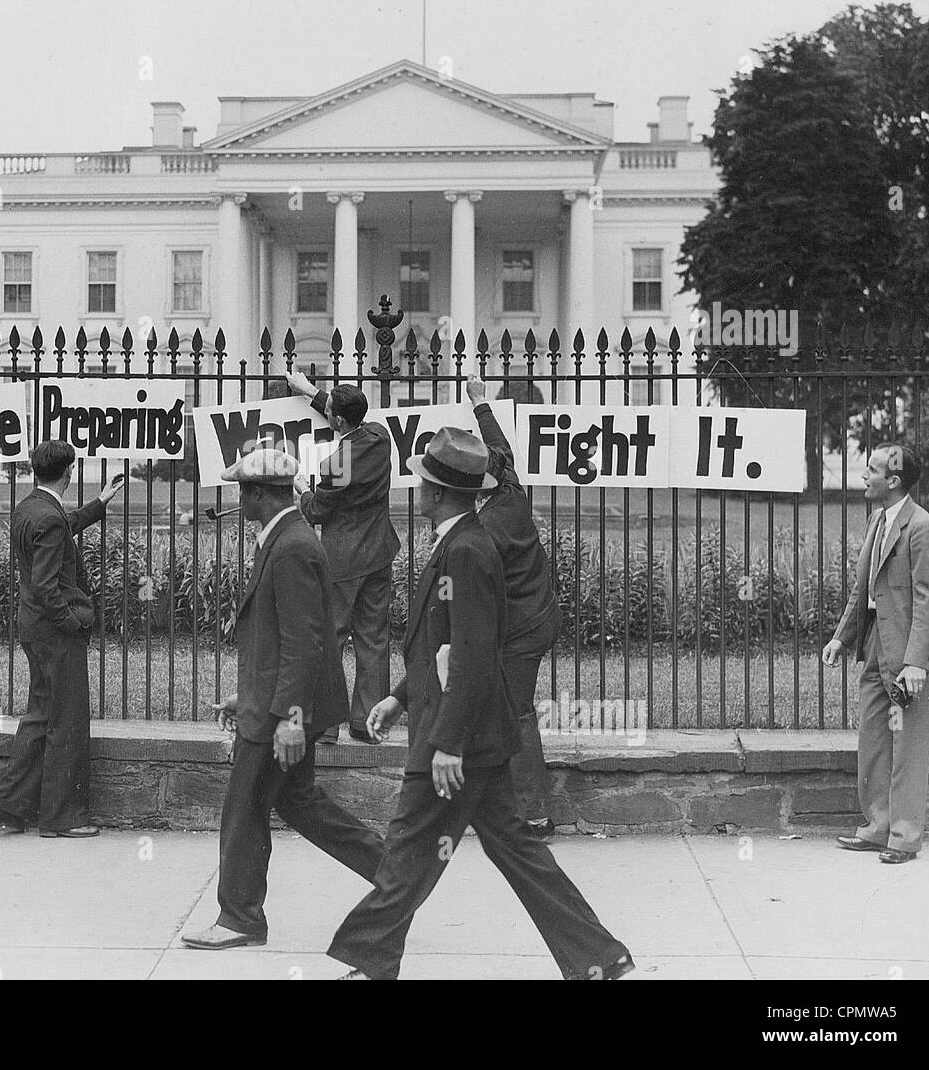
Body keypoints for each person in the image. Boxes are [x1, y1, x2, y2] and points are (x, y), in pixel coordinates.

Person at [327, 428, 633, 980]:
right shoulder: (461, 539)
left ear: (436, 492)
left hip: (457, 737)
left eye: (422, 480)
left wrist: (447, 743)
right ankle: (599, 956)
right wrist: (399, 697)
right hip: (476, 733)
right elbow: (445, 645)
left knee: (408, 846)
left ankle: (369, 958)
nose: (416, 487)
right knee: (513, 849)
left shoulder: (466, 550)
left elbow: (471, 653)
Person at [181, 446, 386, 949]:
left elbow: (305, 641)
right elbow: (285, 639)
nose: (239, 498)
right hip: (277, 703)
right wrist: (246, 695)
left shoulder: (291, 545)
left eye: (242, 491)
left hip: (284, 714)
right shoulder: (283, 539)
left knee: (244, 808)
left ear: (257, 494)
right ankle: (398, 874)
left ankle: (240, 919)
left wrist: (289, 719)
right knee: (299, 802)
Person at [0, 441, 124, 838]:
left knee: (42, 715)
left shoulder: (29, 509)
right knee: (68, 722)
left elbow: (62, 529)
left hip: (34, 628)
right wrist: (71, 623)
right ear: (69, 472)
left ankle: (9, 806)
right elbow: (48, 584)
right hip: (55, 631)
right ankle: (62, 818)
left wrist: (100, 502)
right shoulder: (48, 517)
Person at [823, 443, 929, 865]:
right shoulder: (879, 519)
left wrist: (916, 662)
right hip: (875, 643)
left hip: (910, 652)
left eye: (871, 469)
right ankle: (876, 828)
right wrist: (842, 637)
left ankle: (904, 838)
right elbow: (864, 588)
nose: (863, 474)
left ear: (892, 481)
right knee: (873, 738)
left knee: (907, 745)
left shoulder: (923, 529)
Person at [465, 378, 560, 841]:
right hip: (535, 620)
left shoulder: (489, 527)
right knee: (498, 707)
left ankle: (534, 812)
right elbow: (498, 444)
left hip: (523, 629)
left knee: (516, 711)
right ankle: (501, 803)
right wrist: (481, 402)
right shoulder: (509, 487)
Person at [285, 371, 399, 744]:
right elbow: (346, 418)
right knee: (374, 638)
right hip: (379, 553)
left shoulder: (334, 464)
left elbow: (316, 511)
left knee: (329, 640)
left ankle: (325, 724)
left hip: (343, 562)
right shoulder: (381, 438)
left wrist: (302, 489)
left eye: (330, 411)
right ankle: (368, 721)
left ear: (335, 420)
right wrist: (311, 392)